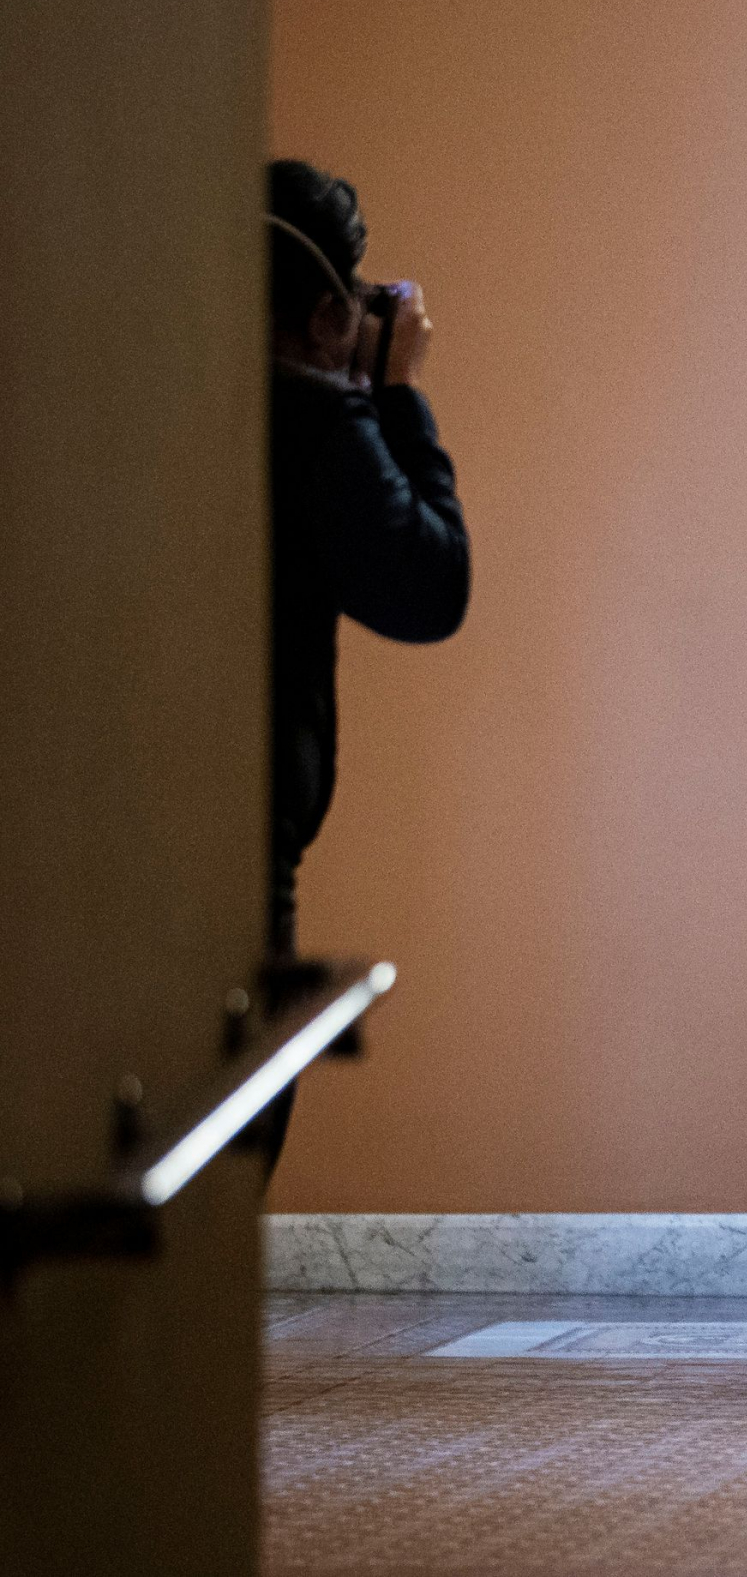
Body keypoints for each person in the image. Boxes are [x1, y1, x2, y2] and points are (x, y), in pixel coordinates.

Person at [260, 161, 472, 1170]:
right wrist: (393, 395)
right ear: (322, 318)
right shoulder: (306, 421)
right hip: (246, 852)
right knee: (234, 1133)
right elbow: (429, 585)